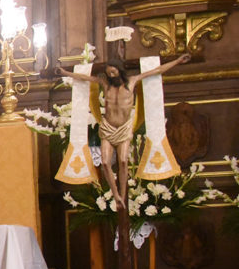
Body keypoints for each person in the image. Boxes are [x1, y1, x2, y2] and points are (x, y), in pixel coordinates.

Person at [58, 53, 190, 207]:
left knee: (122, 161)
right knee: (105, 162)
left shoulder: (132, 81)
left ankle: (123, 194)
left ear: (120, 70)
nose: (111, 75)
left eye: (113, 72)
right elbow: (84, 77)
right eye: (108, 72)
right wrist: (65, 73)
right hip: (107, 127)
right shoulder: (105, 83)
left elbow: (156, 70)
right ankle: (116, 195)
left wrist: (177, 61)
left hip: (123, 128)